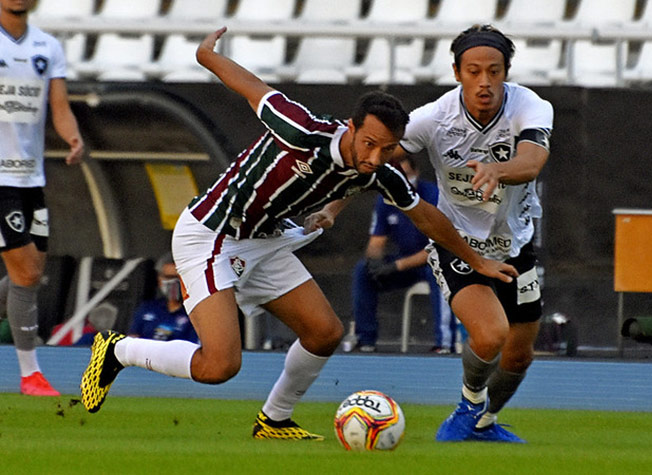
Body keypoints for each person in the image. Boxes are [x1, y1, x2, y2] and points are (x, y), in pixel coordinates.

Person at [80, 27, 517, 440]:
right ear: (351, 127)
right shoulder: (302, 129)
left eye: (388, 149)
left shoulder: (378, 171)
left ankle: (274, 418)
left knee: (324, 332)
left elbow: (427, 217)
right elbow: (252, 88)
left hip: (266, 241)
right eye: (369, 143)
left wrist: (476, 261)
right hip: (211, 234)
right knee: (219, 365)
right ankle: (118, 350)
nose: (375, 156)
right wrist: (206, 56)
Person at [395, 24, 553, 443]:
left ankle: (485, 422)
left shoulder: (530, 106)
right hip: (459, 244)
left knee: (519, 354)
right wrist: (334, 203)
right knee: (490, 334)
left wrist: (497, 169)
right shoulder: (432, 118)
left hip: (516, 243)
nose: (485, 82)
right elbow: (375, 155)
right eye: (474, 72)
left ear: (507, 72)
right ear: (457, 72)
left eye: (495, 72)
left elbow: (533, 161)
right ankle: (468, 405)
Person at [0, 0, 84, 396]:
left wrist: (72, 136)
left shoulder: (47, 46)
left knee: (30, 276)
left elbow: (59, 107)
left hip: (30, 178)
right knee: (27, 274)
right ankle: (30, 374)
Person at [349, 156, 457, 353]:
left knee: (440, 273)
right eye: (398, 175)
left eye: (406, 175)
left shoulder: (433, 196)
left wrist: (397, 266)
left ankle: (444, 344)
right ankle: (365, 340)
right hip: (405, 262)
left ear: (416, 173)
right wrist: (374, 262)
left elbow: (441, 247)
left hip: (433, 262)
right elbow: (376, 241)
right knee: (362, 272)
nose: (403, 180)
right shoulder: (386, 199)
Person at [127, 253, 198, 344]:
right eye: (168, 277)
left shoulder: (195, 313)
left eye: (177, 278)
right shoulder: (147, 308)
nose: (173, 282)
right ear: (159, 279)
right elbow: (132, 341)